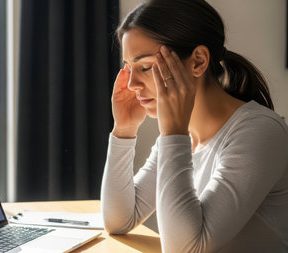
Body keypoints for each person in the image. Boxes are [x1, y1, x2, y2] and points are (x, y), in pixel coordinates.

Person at [100, 0, 288, 252]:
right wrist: (123, 130)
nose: (132, 84)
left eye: (144, 67)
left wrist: (173, 133)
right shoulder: (183, 136)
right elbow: (118, 220)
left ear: (198, 61)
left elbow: (184, 248)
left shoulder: (259, 132)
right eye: (128, 68)